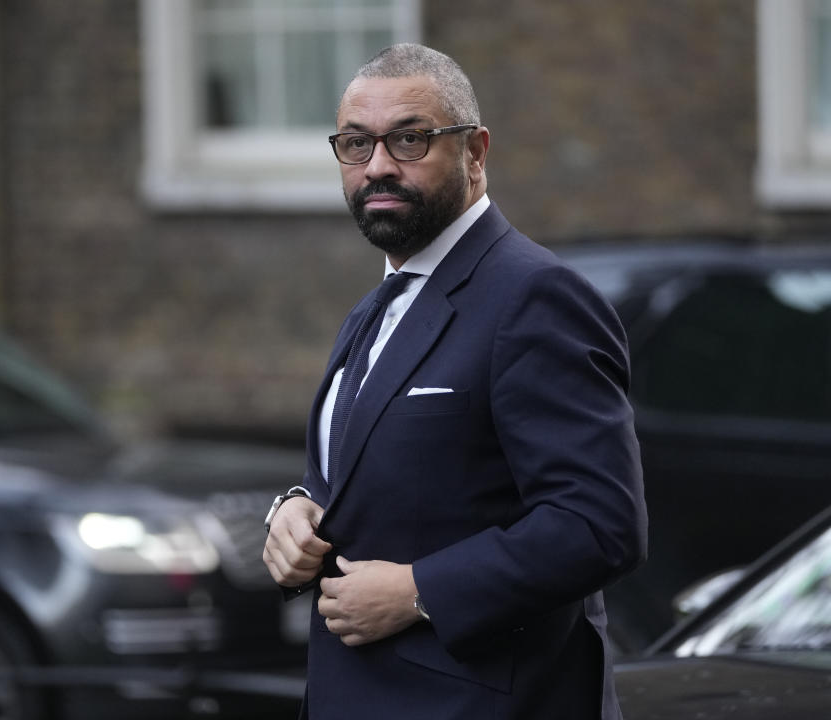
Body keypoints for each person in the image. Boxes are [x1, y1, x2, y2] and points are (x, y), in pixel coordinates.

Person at [261, 43, 647, 720]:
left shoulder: (534, 296)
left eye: (409, 138)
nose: (378, 165)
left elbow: (599, 524)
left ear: (475, 152)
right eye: (356, 144)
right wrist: (295, 509)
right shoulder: (379, 303)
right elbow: (383, 475)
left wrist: (419, 590)